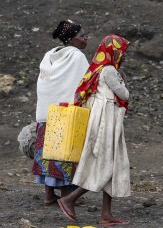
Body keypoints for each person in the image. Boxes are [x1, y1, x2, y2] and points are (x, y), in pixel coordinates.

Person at [57, 35, 131, 226]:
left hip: (104, 121)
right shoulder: (108, 71)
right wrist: (124, 80)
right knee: (105, 165)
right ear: (113, 51)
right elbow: (124, 94)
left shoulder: (98, 69)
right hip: (107, 123)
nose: (123, 55)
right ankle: (69, 199)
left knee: (111, 164)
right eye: (121, 51)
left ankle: (106, 214)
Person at [32, 20, 89, 205]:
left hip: (46, 113)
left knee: (48, 154)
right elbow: (85, 84)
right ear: (71, 39)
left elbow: (45, 83)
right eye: (82, 35)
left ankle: (49, 195)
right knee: (65, 154)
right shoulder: (77, 56)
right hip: (66, 114)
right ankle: (66, 196)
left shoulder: (49, 55)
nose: (85, 38)